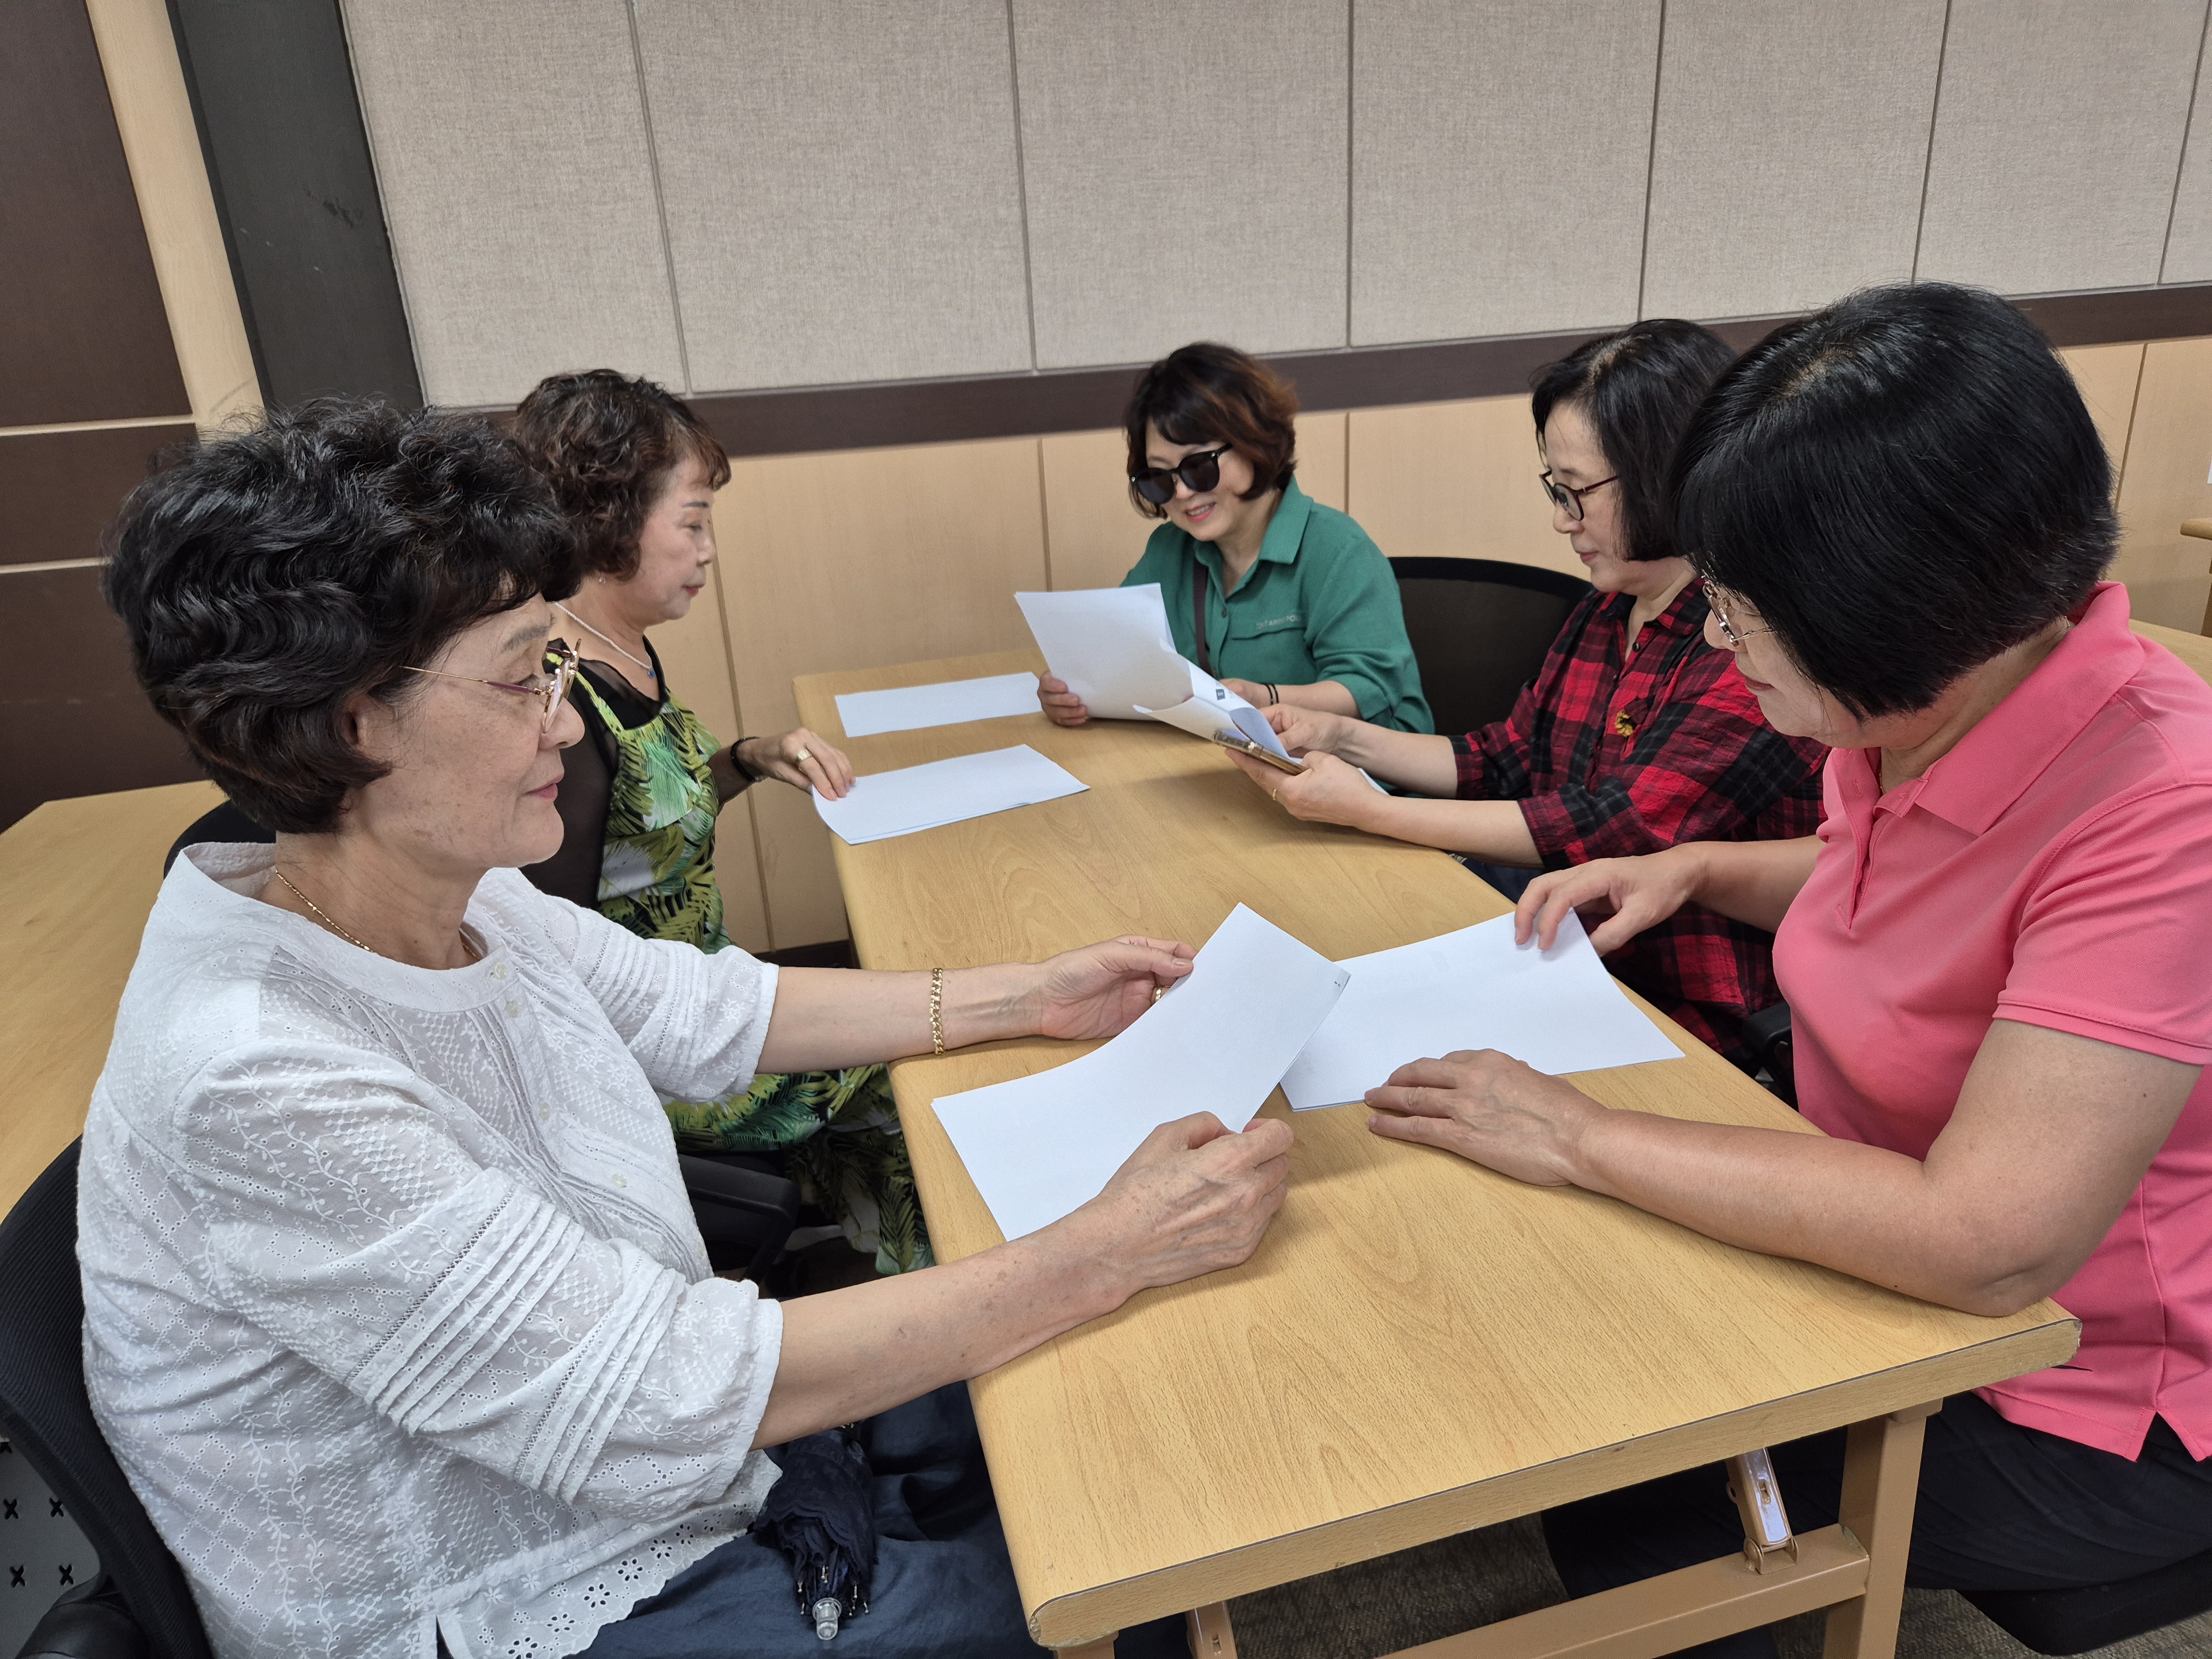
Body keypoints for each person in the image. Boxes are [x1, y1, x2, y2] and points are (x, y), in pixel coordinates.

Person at [84, 399, 1293, 1659]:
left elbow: (704, 1004)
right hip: (522, 1588)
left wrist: (1031, 995)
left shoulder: (455, 888)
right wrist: (1108, 1247)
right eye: (523, 676)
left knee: (1102, 1423)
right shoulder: (255, 1073)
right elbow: (653, 1395)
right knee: (1095, 1531)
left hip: (660, 1447)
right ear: (353, 723)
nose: (564, 721)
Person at [1354, 286, 2212, 1658]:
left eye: (1738, 610)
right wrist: (1700, 869)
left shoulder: (2165, 810)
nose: (1711, 637)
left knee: (1630, 1501)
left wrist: (1576, 1134)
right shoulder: (1924, 711)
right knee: (1566, 1328)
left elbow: (1988, 1244)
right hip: (1881, 1240)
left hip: (2091, 1393)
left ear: (1891, 613)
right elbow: (1896, 877)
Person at [1223, 321, 1826, 1062]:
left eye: (1577, 493)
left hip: (1675, 1009)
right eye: (1555, 489)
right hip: (1553, 951)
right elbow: (1505, 757)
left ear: (1667, 474)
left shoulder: (1744, 637)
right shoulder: (1609, 609)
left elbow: (1614, 829)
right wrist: (1339, 735)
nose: (1560, 519)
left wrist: (1372, 811)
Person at [511, 371, 924, 1274]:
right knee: (917, 1074)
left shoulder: (620, 650)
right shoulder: (561, 701)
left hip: (708, 993)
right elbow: (549, 953)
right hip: (663, 1054)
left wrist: (748, 758)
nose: (709, 551)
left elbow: (645, 829)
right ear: (609, 518)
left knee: (903, 1017)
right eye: (692, 523)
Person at [1038, 341, 1432, 734]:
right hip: (1238, 760)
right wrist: (1074, 691)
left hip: (1360, 767)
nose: (1182, 493)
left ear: (1253, 442)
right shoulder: (1169, 550)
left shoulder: (1339, 550)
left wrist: (1264, 698)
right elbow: (1115, 656)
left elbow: (1369, 688)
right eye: (1159, 477)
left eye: (1198, 466)